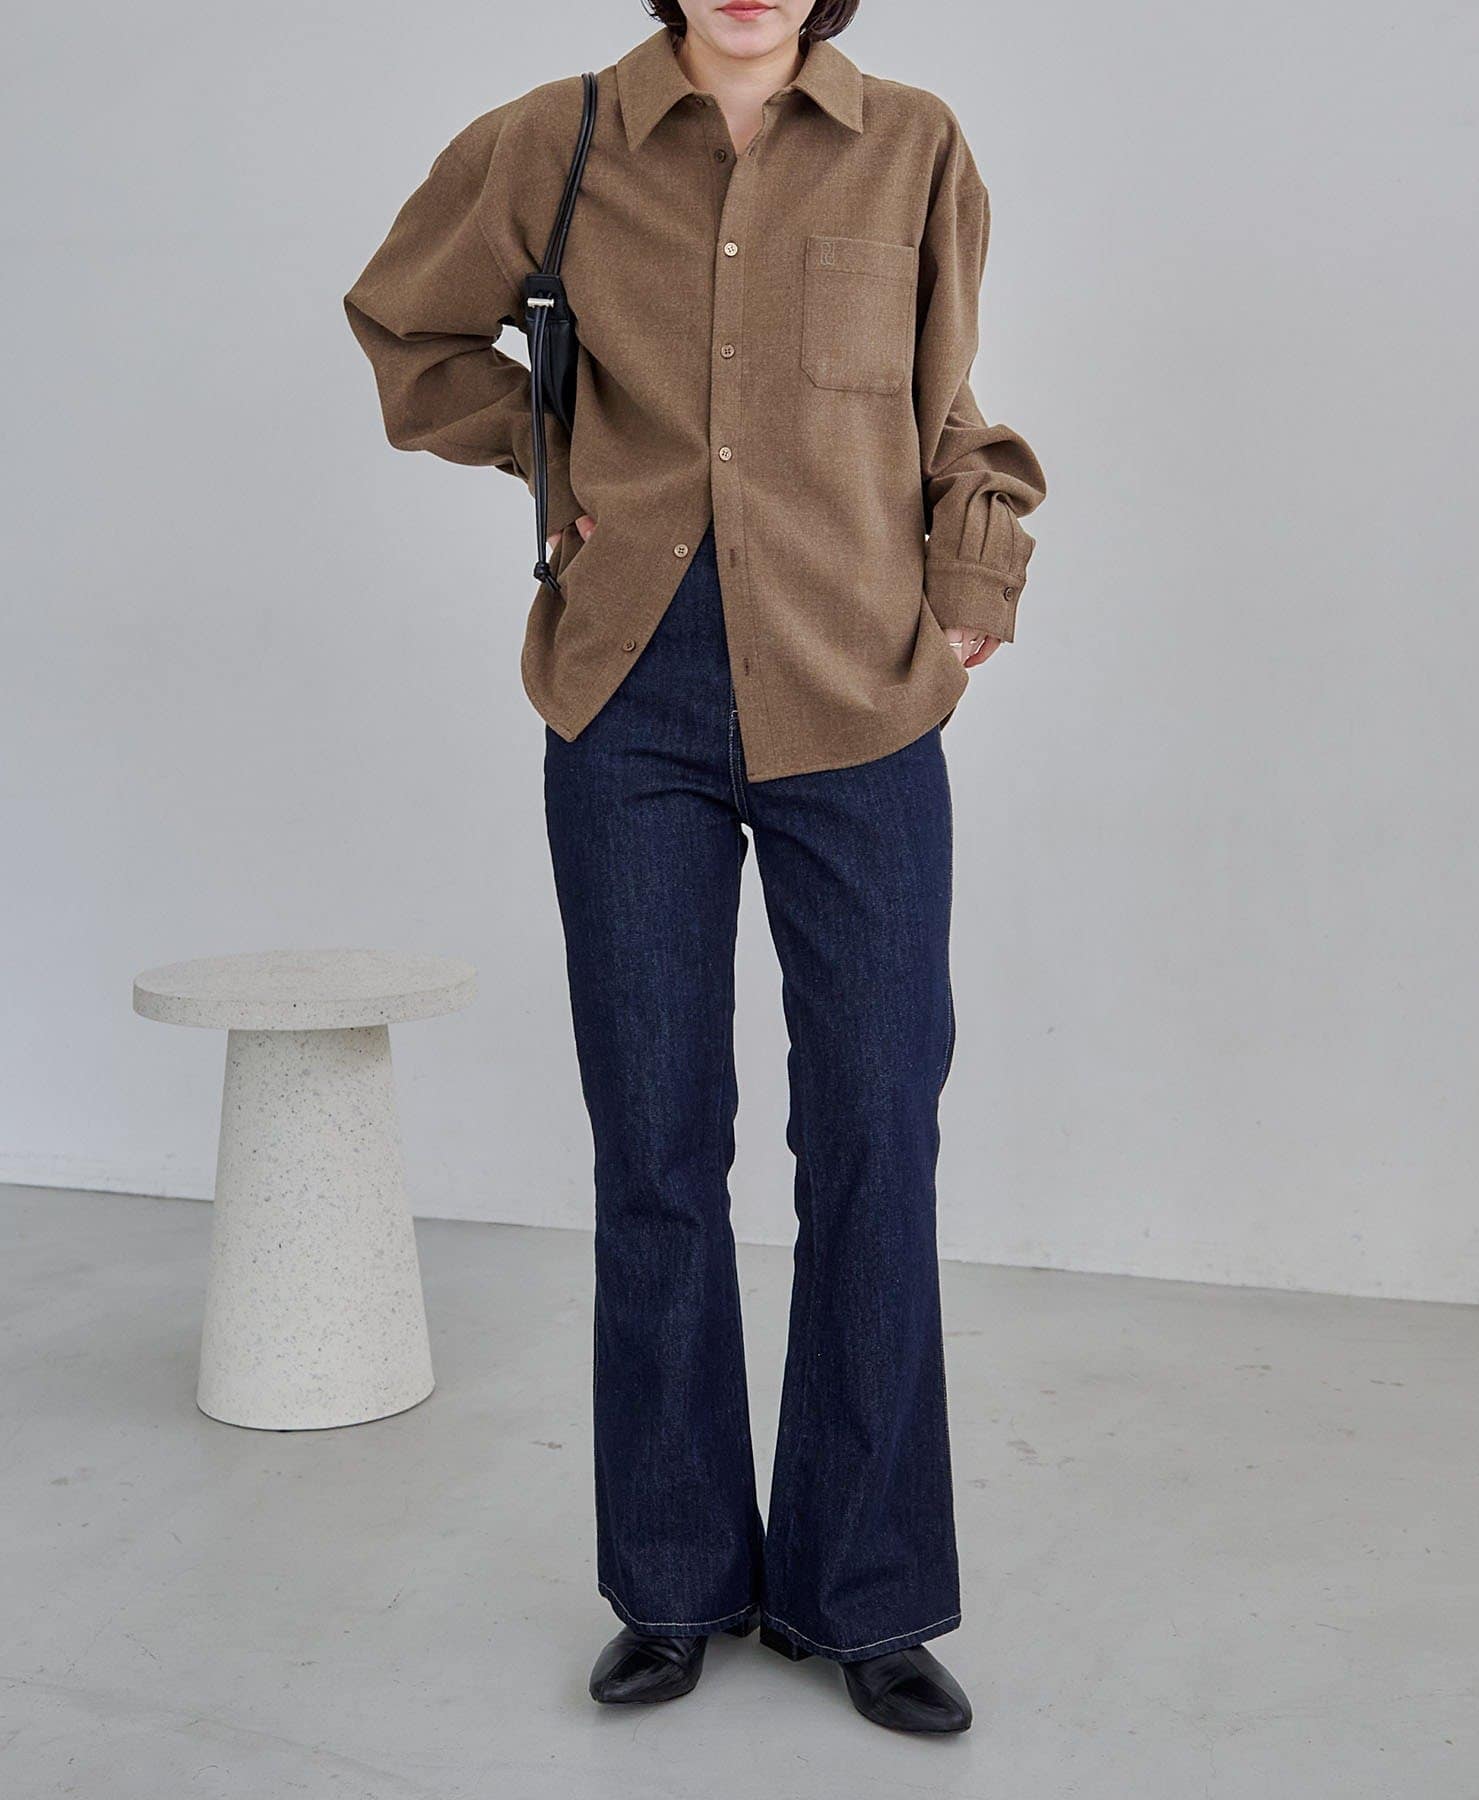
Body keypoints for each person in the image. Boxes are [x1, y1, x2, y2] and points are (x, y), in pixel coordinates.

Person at [344, 0, 1045, 1735]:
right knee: (657, 1142)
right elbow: (408, 324)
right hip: (629, 694)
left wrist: (974, 582)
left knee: (876, 1131)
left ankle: (862, 1591)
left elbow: (946, 406)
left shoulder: (913, 142)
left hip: (857, 686)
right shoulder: (555, 135)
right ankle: (670, 1585)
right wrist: (552, 456)